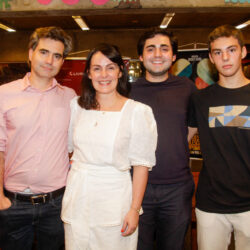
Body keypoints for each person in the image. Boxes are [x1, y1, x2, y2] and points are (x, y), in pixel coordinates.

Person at [61, 43, 157, 250]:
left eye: (110, 67)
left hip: (115, 201)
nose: (103, 74)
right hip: (78, 197)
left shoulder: (138, 112)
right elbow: (68, 150)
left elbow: (141, 165)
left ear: (120, 71)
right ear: (88, 73)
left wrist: (134, 209)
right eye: (97, 68)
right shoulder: (76, 107)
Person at [0, 26, 76, 250]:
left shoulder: (70, 98)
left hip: (56, 205)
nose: (50, 60)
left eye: (57, 55)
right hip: (13, 203)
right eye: (44, 52)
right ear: (30, 53)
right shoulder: (3, 94)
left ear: (63, 61)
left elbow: (75, 147)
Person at [130, 29, 197, 250]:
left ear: (174, 56)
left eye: (164, 48)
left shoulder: (187, 88)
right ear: (141, 57)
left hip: (177, 189)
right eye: (150, 49)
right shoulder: (128, 91)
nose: (157, 54)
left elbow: (190, 128)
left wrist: (172, 147)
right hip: (135, 187)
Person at [189, 25, 250, 250]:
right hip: (211, 205)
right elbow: (181, 140)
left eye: (231, 50)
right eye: (218, 52)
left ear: (243, 52)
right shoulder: (200, 99)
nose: (225, 57)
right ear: (211, 58)